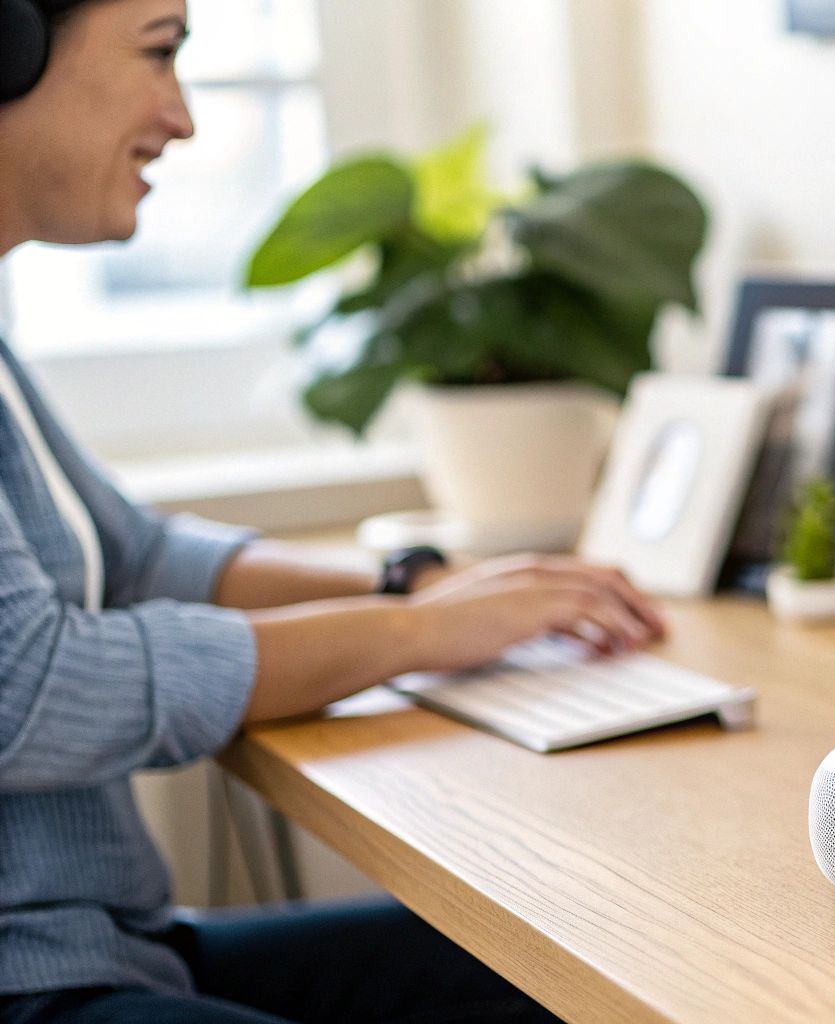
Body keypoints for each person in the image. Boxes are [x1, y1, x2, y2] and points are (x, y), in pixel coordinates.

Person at [0, 1, 668, 1020]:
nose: (180, 117)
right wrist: (414, 632)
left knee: (587, 951)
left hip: (105, 943)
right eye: (159, 51)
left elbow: (133, 555)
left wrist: (418, 581)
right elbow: (32, 687)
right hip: (33, 982)